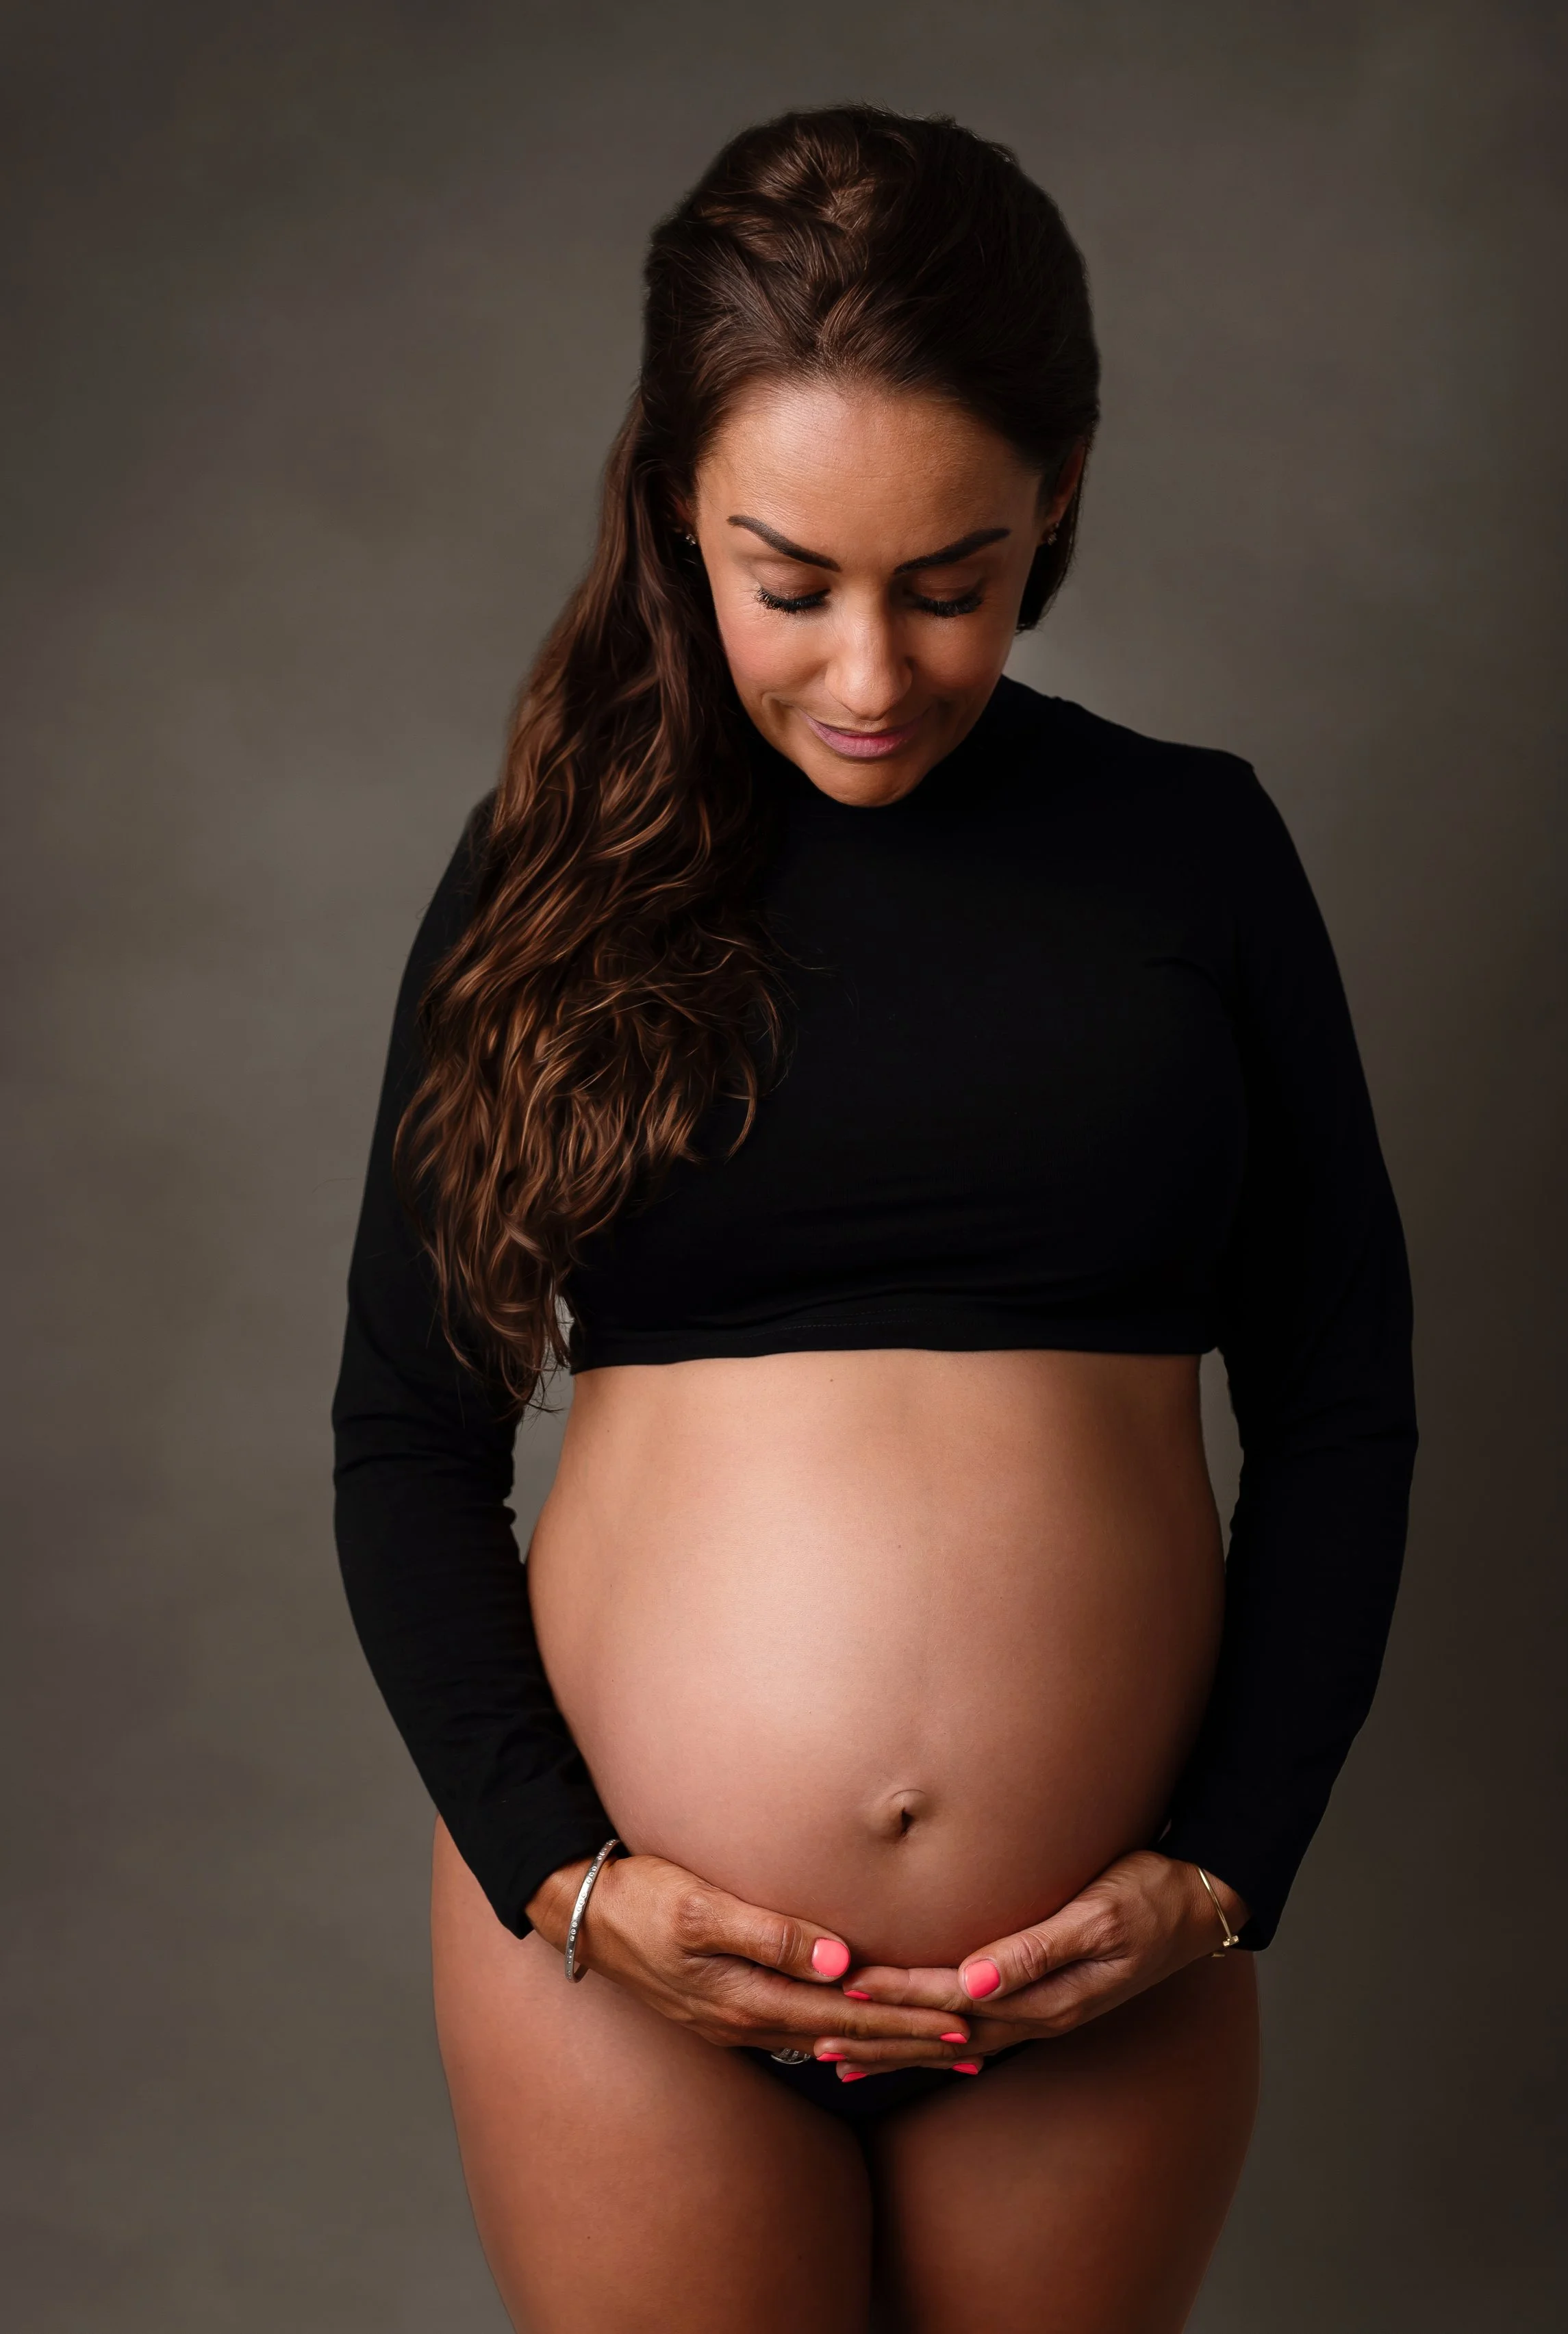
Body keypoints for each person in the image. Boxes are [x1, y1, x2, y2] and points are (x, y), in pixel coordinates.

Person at [332, 103, 1416, 2334]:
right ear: (677, 508)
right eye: (788, 583)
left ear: (1059, 499)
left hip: (1088, 1974)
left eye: (950, 583)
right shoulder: (547, 873)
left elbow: (1340, 1408)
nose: (869, 675)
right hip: (626, 1973)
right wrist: (564, 1879)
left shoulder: (1192, 853)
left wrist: (1222, 1870)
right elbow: (402, 1441)